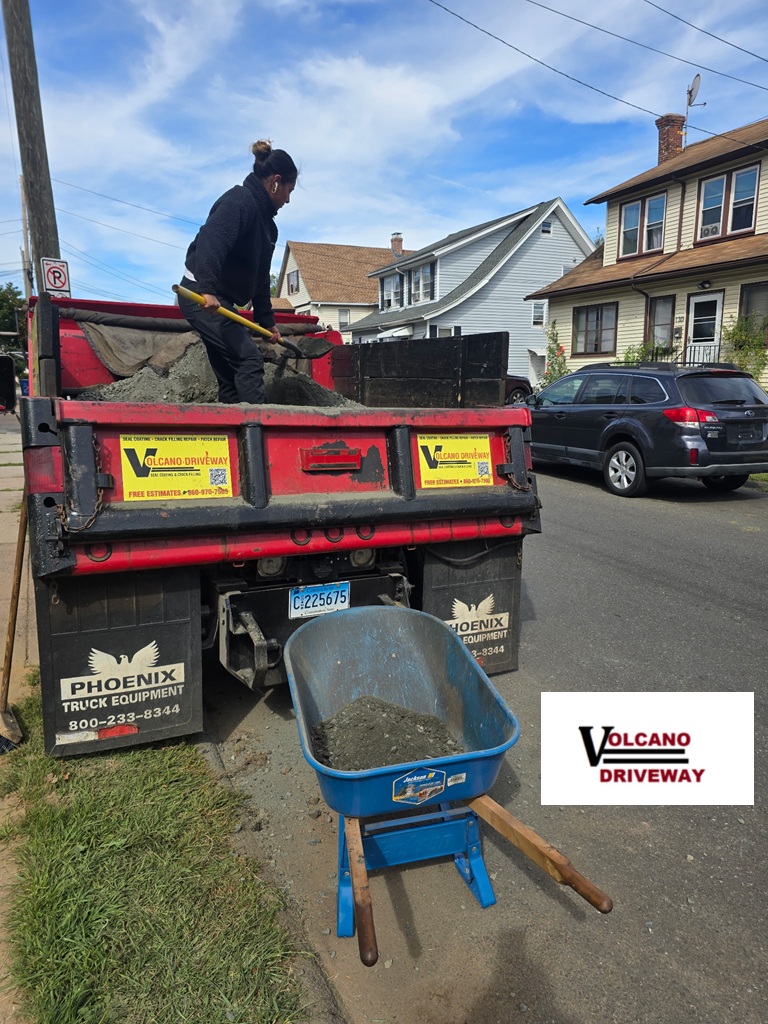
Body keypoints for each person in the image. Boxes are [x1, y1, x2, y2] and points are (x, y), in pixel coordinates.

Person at [177, 139, 298, 403]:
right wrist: (208, 289)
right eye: (289, 190)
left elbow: (260, 277)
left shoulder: (268, 228)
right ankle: (256, 426)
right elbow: (211, 241)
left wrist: (267, 321)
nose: (288, 199)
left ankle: (232, 424)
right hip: (200, 295)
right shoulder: (239, 201)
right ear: (275, 181)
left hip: (219, 299)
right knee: (249, 359)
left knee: (231, 375)